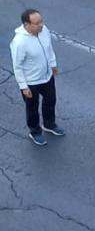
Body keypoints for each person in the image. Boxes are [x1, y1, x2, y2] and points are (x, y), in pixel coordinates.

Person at [10, 8, 63, 146]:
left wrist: (53, 64)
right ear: (27, 25)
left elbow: (49, 49)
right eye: (37, 23)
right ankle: (35, 131)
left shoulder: (44, 30)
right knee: (32, 108)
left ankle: (49, 124)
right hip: (31, 82)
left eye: (41, 21)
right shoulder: (19, 42)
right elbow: (17, 66)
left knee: (50, 101)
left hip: (47, 76)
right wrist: (23, 86)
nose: (41, 25)